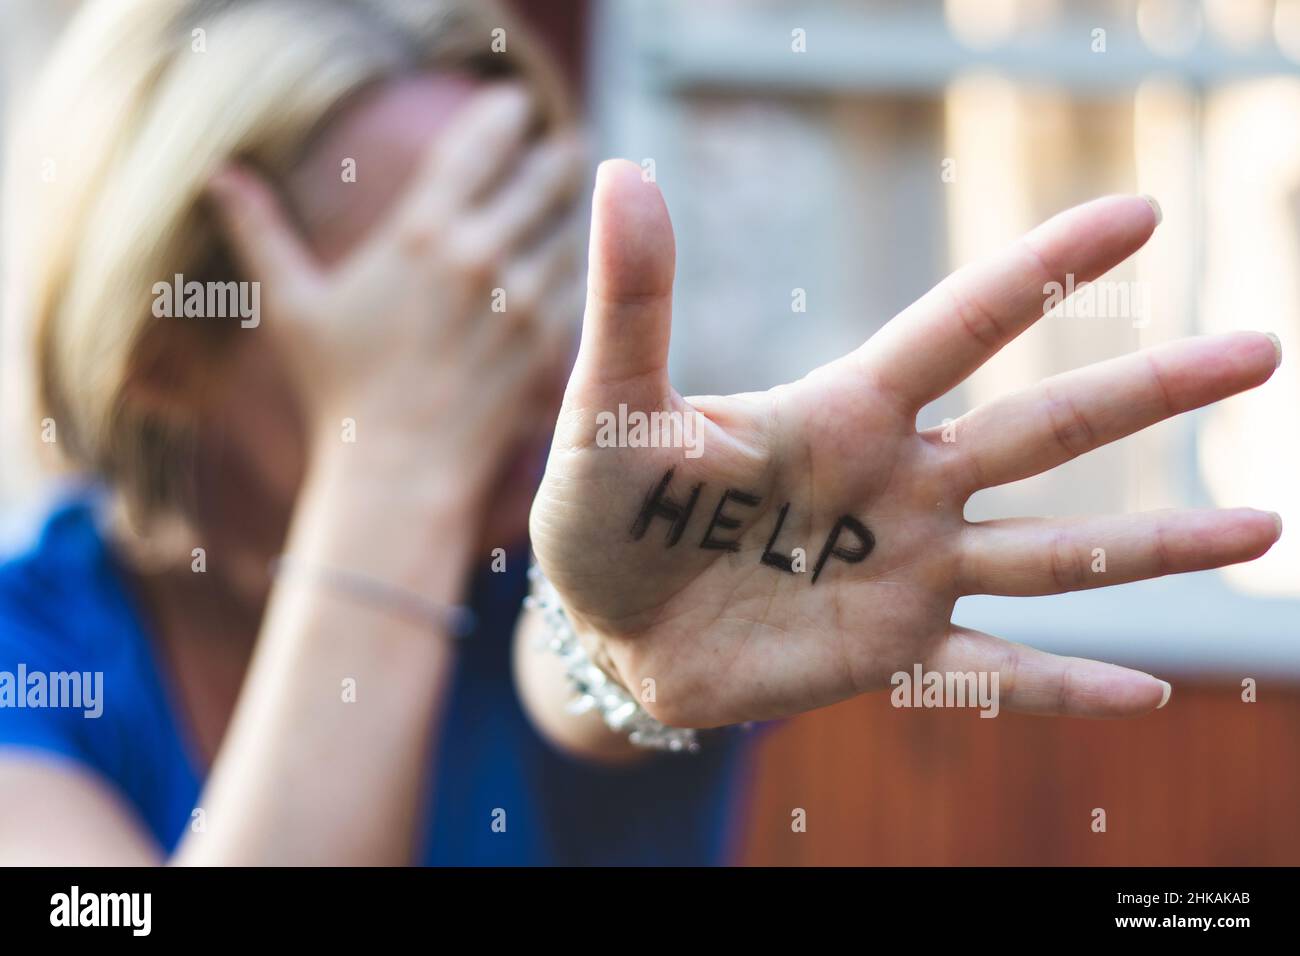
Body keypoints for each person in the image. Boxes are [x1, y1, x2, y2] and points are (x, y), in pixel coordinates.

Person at [0, 0, 1283, 866]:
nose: (540, 352)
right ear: (171, 351)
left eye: (540, 259)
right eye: (448, 302)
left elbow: (583, 653)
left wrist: (615, 655)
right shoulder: (30, 662)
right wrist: (390, 453)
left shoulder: (563, 574)